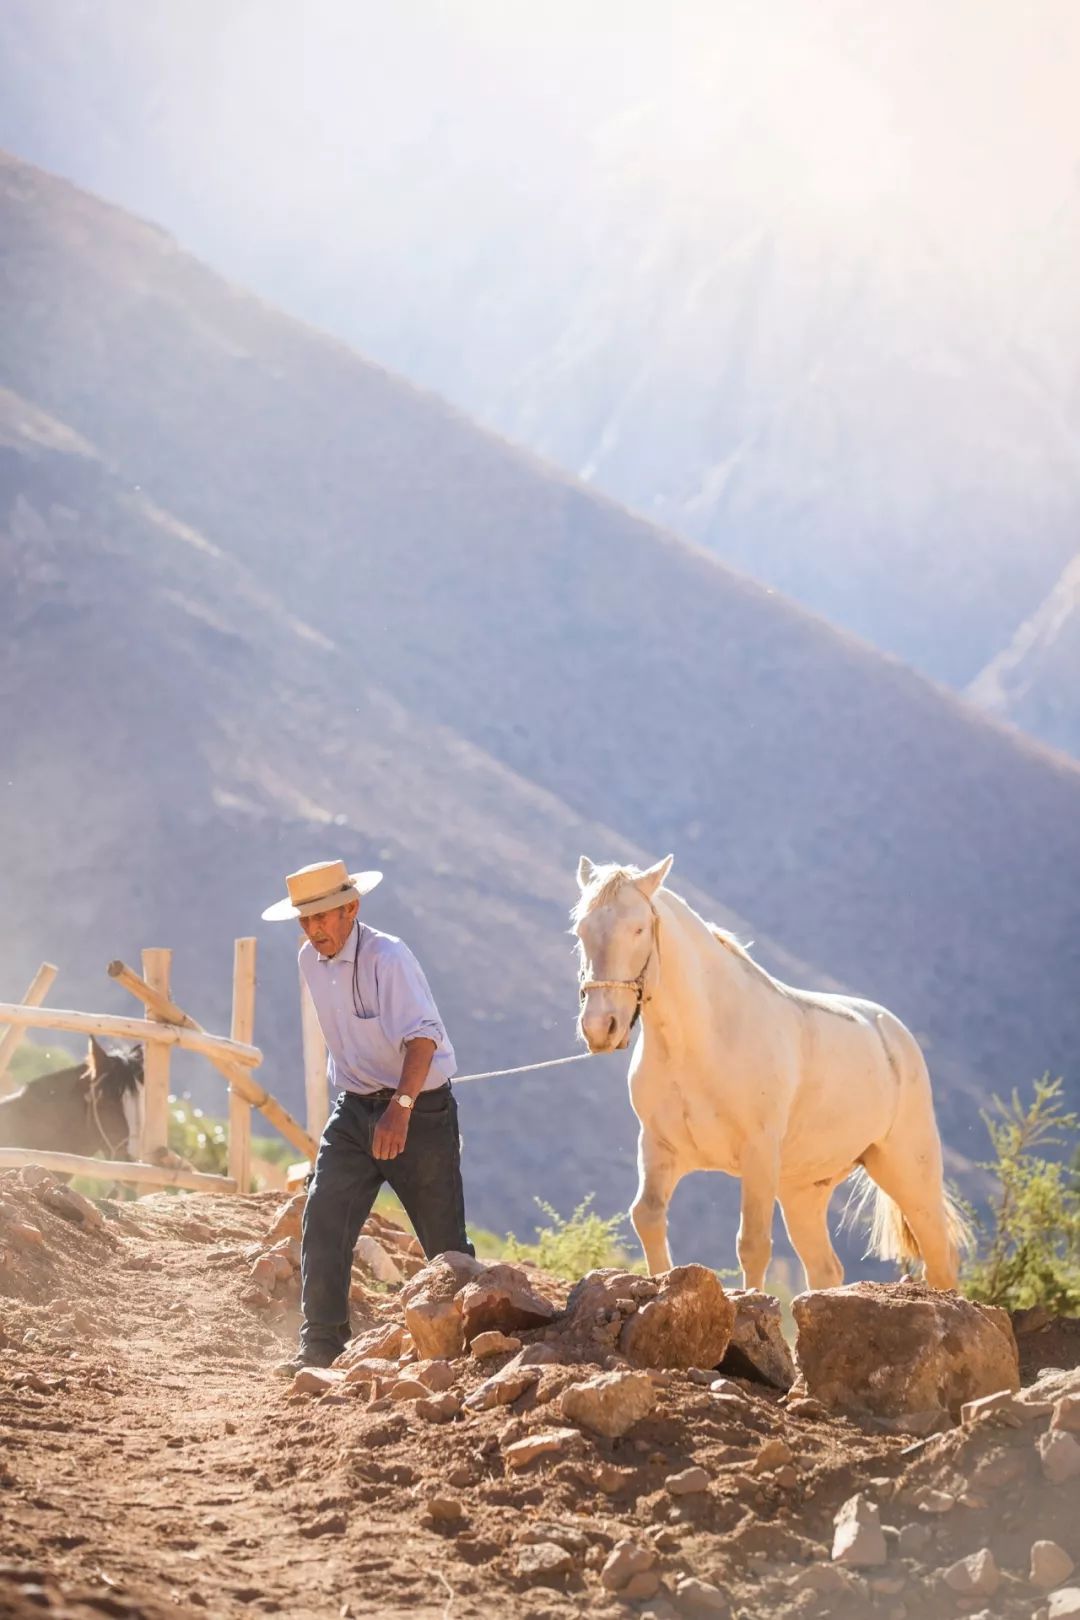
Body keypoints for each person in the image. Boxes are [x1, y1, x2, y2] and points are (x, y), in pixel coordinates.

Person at [262, 859, 473, 1371]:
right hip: (354, 1109)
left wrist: (400, 1109)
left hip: (417, 1111)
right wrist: (373, 1108)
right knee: (324, 1217)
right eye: (304, 920)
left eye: (323, 917)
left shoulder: (389, 957)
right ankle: (321, 1345)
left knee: (444, 1244)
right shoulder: (308, 962)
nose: (314, 930)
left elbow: (423, 1037)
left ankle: (469, 1345)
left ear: (351, 909)